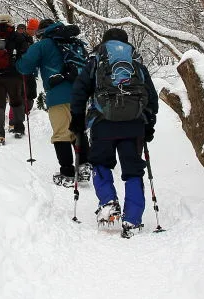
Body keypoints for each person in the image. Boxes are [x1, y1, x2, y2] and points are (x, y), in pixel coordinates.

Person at [70, 27, 158, 238]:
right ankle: (133, 219)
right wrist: (149, 124)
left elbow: (79, 91)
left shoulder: (96, 59)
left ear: (104, 41)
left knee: (100, 162)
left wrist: (77, 120)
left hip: (103, 123)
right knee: (133, 169)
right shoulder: (136, 62)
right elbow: (151, 97)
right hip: (134, 124)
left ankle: (108, 202)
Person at [16, 18, 91, 187]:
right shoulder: (73, 42)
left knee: (61, 133)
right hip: (80, 93)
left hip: (58, 96)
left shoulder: (43, 45)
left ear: (42, 32)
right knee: (78, 130)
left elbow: (24, 67)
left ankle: (67, 173)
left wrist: (18, 57)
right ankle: (84, 166)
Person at [0, 14, 29, 144]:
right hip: (14, 76)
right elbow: (25, 55)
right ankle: (18, 127)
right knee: (16, 101)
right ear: (11, 23)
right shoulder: (17, 37)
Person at [16, 22, 37, 117]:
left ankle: (25, 110)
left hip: (28, 69)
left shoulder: (29, 39)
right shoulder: (19, 39)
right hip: (20, 69)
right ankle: (19, 114)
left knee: (30, 91)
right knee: (21, 92)